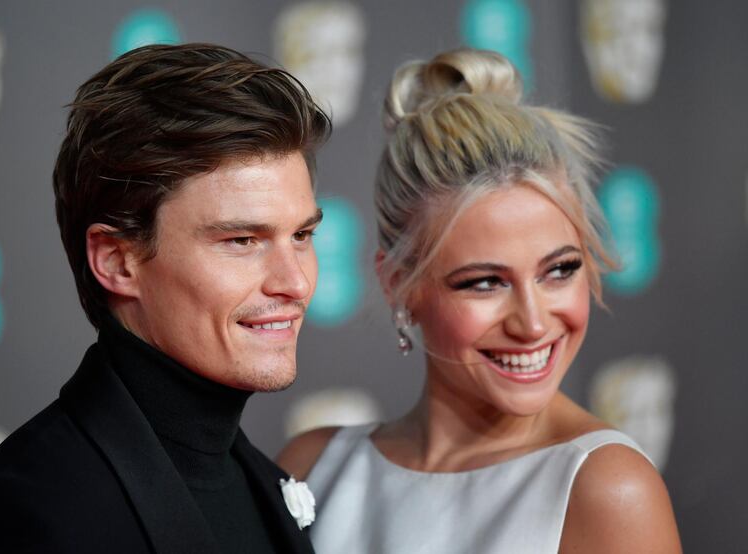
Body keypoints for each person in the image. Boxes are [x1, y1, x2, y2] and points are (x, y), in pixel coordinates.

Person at [278, 48, 682, 553]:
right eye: (485, 282)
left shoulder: (607, 489)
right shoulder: (312, 468)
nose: (533, 324)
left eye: (559, 270)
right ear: (399, 284)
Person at [0, 43, 330, 553]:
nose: (296, 282)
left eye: (302, 236)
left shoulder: (265, 484)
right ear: (115, 260)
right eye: (242, 241)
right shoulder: (22, 516)